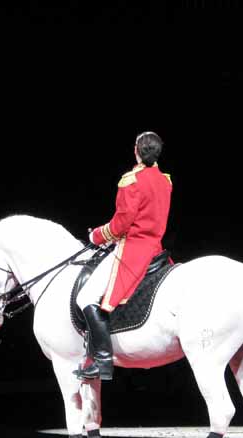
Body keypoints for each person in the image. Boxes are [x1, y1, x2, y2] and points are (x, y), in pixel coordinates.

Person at [74, 131, 172, 380]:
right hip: (156, 249)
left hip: (133, 250)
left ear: (137, 151)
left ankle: (103, 361)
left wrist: (95, 236)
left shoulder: (131, 180)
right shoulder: (166, 181)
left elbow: (120, 225)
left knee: (86, 297)